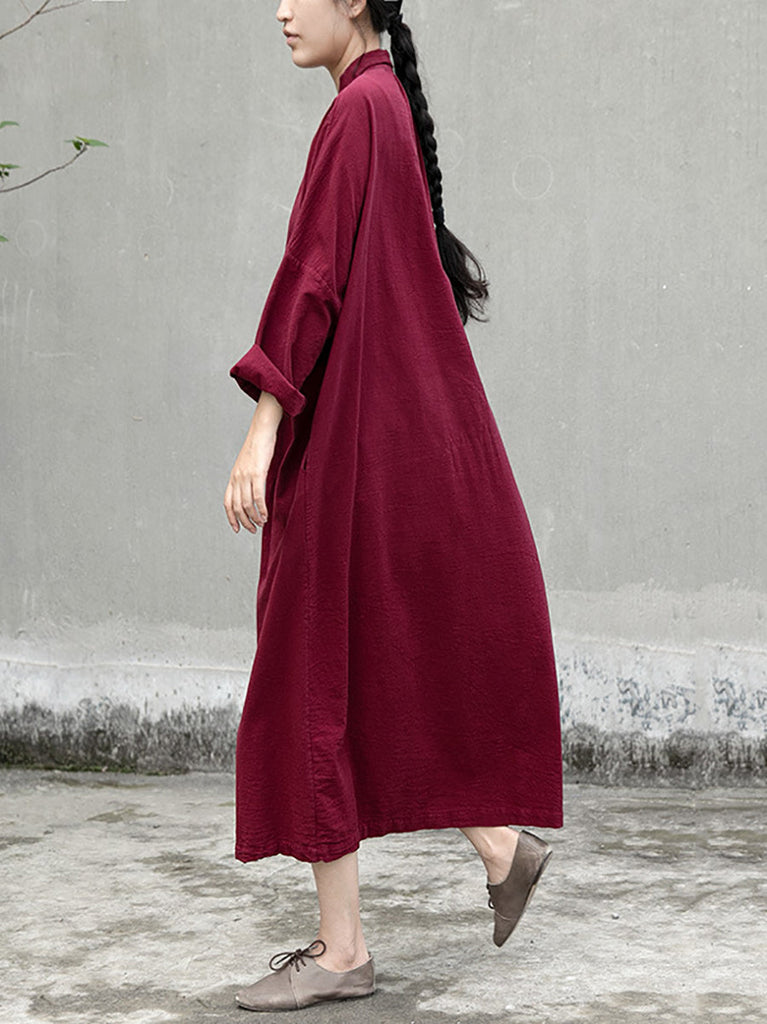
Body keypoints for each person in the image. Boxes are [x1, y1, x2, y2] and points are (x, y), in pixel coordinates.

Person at [223, 0, 563, 1012]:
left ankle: (343, 953)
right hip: (373, 442)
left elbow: (312, 277)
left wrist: (262, 426)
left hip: (348, 450)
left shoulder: (357, 112)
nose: (281, 10)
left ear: (356, 0)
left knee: (311, 674)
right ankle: (497, 849)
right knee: (355, 669)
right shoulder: (380, 106)